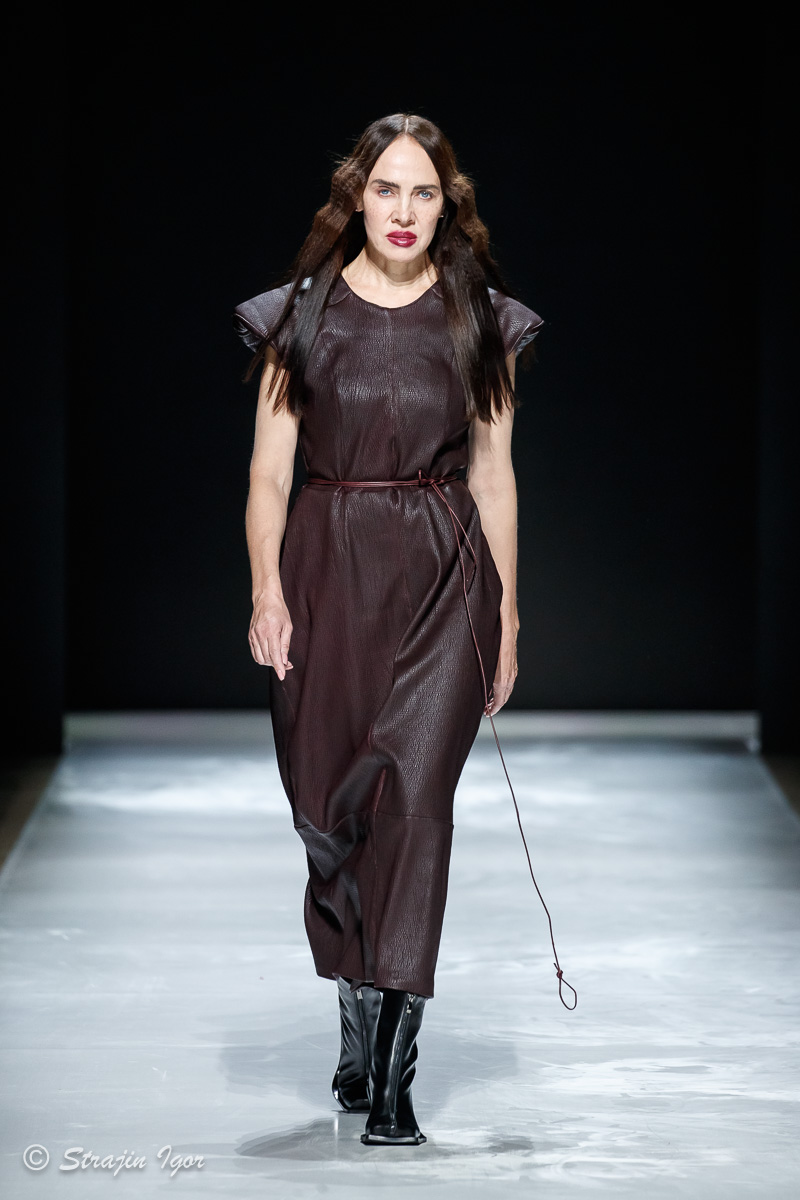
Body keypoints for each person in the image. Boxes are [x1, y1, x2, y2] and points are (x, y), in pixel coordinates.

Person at [233, 113, 543, 1146]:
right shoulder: (300, 315)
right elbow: (268, 472)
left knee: (416, 810)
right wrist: (266, 591)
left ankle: (395, 1075)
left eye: (424, 193)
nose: (403, 211)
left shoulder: (479, 319)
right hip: (325, 569)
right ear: (354, 198)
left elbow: (493, 475)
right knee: (328, 813)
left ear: (446, 206)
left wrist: (506, 614)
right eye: (385, 190)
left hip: (445, 577)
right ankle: (355, 1006)